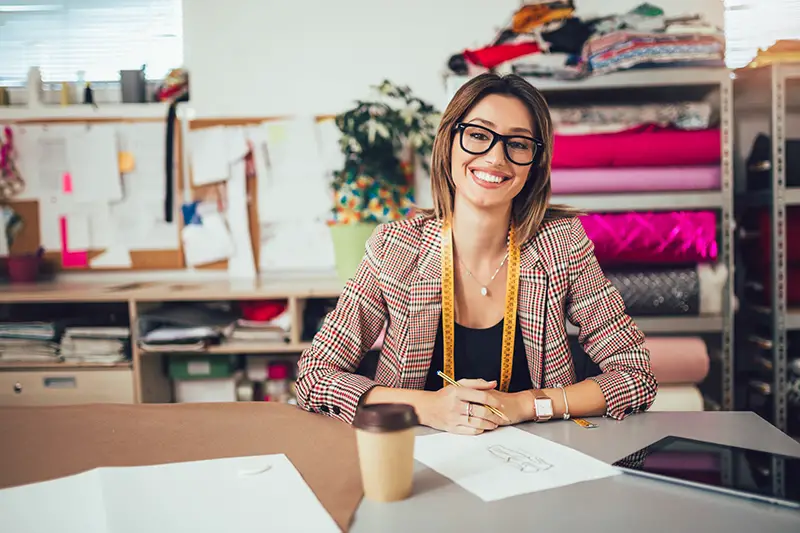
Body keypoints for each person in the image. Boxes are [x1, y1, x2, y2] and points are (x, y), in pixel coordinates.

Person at [296, 73, 657, 434]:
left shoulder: (561, 245)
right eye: (479, 135)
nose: (496, 157)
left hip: (540, 465)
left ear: (534, 164)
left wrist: (524, 404)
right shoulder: (395, 248)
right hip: (418, 465)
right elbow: (314, 377)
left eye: (517, 143)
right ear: (449, 142)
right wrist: (427, 407)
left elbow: (635, 373)